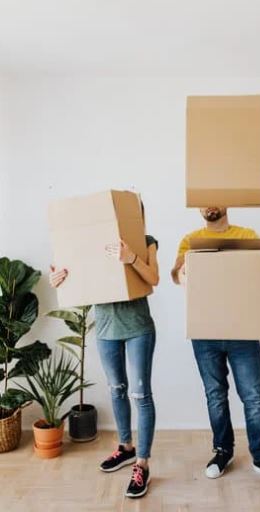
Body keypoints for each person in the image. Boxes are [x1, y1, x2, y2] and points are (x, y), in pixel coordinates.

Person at [171, 206, 260, 489]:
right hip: (205, 332)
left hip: (243, 331)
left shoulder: (246, 236)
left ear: (227, 201)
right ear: (198, 206)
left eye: (216, 198)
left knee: (253, 396)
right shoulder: (190, 240)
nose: (210, 205)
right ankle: (223, 451)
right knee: (215, 395)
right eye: (204, 200)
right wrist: (183, 272)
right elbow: (176, 275)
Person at [50, 201, 159, 499]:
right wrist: (60, 280)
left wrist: (131, 257)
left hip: (138, 329)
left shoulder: (147, 243)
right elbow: (78, 282)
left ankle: (142, 463)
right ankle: (125, 448)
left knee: (141, 395)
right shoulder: (91, 247)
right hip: (107, 331)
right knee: (117, 390)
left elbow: (154, 279)